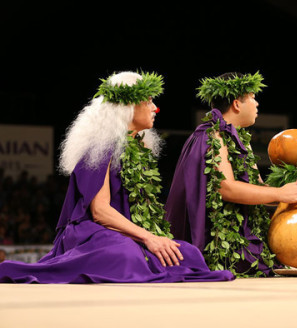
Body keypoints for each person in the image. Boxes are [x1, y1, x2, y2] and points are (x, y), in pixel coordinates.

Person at [0, 71, 234, 283]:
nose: (156, 108)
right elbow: (100, 212)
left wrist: (152, 237)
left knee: (188, 254)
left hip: (127, 233)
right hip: (92, 232)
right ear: (128, 105)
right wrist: (149, 238)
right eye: (149, 101)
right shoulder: (99, 146)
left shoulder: (138, 148)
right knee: (126, 254)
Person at [165, 71, 297, 277]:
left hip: (238, 235)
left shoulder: (239, 139)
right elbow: (226, 188)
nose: (257, 104)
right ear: (237, 104)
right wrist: (280, 194)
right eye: (253, 97)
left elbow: (259, 190)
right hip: (218, 242)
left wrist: (294, 191)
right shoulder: (213, 135)